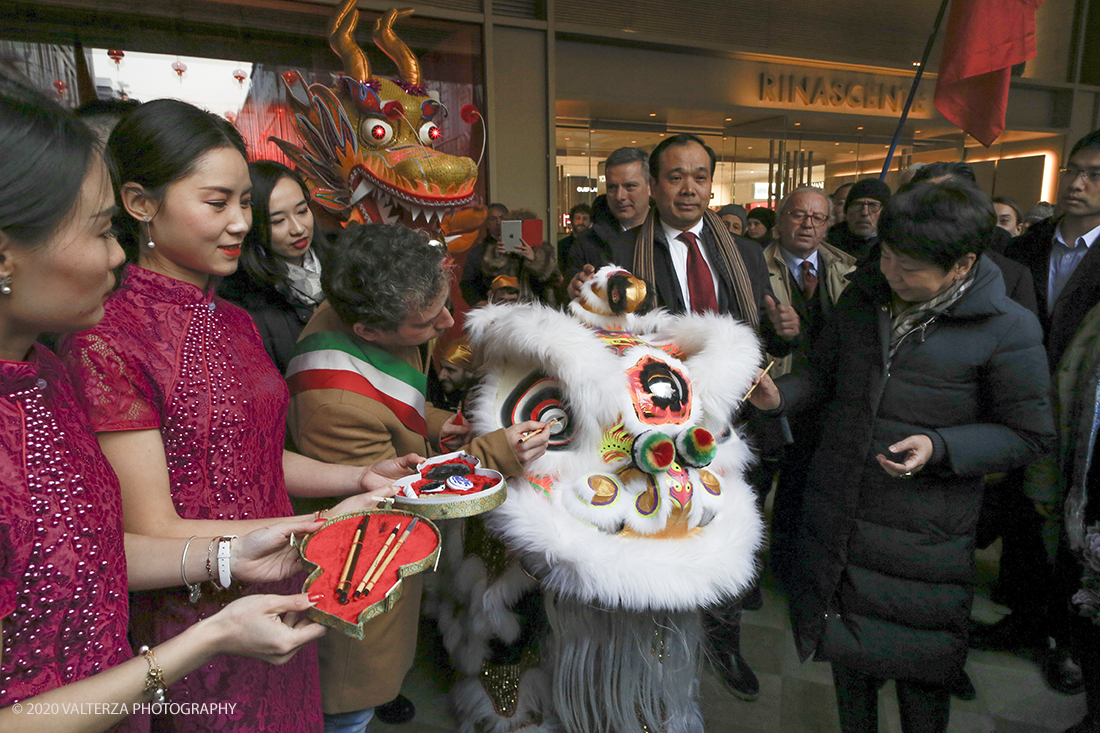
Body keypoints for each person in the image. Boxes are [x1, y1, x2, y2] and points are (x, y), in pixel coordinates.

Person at [59, 99, 417, 733]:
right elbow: (153, 524)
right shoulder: (109, 337)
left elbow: (247, 452)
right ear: (141, 205)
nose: (238, 224)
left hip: (274, 595)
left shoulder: (236, 321)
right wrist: (317, 524)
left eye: (243, 205)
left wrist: (359, 476)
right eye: (216, 203)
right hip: (194, 617)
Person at [0, 75, 333, 733]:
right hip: (180, 650)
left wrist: (249, 547)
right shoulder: (100, 342)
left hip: (198, 646)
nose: (116, 254)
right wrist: (199, 638)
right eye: (100, 231)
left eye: (246, 201)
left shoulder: (42, 379)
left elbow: (103, 552)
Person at [752, 180, 1054, 733]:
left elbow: (1029, 434)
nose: (891, 273)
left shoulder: (1008, 327)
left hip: (923, 540)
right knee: (848, 666)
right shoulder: (864, 297)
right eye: (887, 256)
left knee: (921, 679)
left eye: (909, 267)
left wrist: (942, 446)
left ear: (962, 265)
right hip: (841, 516)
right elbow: (822, 373)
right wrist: (781, 397)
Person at [287, 223, 549, 733]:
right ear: (367, 330)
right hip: (363, 565)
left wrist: (436, 424)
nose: (448, 321)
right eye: (430, 322)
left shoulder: (371, 309)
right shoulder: (331, 405)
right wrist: (497, 452)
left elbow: (394, 404)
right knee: (350, 705)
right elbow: (396, 497)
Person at [567, 132, 799, 701]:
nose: (688, 188)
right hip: (655, 425)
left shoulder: (742, 253)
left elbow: (755, 336)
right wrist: (580, 300)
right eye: (675, 176)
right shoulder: (620, 255)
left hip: (735, 423)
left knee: (731, 533)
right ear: (654, 185)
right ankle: (655, 651)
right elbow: (596, 337)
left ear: (711, 182)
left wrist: (790, 329)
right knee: (667, 529)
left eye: (699, 176)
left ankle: (724, 642)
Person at [999, 129, 1100, 688]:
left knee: (1070, 525)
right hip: (1020, 399)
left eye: (1094, 174)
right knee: (1019, 510)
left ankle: (1068, 639)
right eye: (1074, 171)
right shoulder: (1028, 245)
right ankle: (1024, 619)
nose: (1079, 183)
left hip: (1084, 413)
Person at [760, 186, 856, 575]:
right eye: (798, 215)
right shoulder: (753, 265)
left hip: (826, 397)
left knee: (805, 485)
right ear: (780, 220)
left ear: (829, 225)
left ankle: (790, 567)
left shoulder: (848, 268)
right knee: (758, 482)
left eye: (818, 218)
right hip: (772, 391)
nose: (807, 225)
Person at [218, 161, 325, 375]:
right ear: (253, 226)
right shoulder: (242, 302)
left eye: (302, 211)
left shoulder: (341, 263)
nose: (298, 228)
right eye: (278, 221)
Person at [564, 147, 651, 295]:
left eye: (630, 186)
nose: (619, 196)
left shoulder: (672, 233)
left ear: (651, 187)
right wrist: (575, 291)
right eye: (612, 187)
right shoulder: (586, 245)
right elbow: (569, 303)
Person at [826, 177, 890, 261]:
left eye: (873, 206)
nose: (864, 212)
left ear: (884, 212)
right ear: (847, 212)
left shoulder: (896, 248)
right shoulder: (826, 245)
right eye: (857, 205)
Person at [459, 202, 509, 304]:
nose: (498, 222)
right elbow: (467, 283)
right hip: (491, 308)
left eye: (501, 217)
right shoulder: (479, 250)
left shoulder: (523, 246)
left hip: (522, 307)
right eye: (493, 219)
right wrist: (479, 303)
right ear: (487, 223)